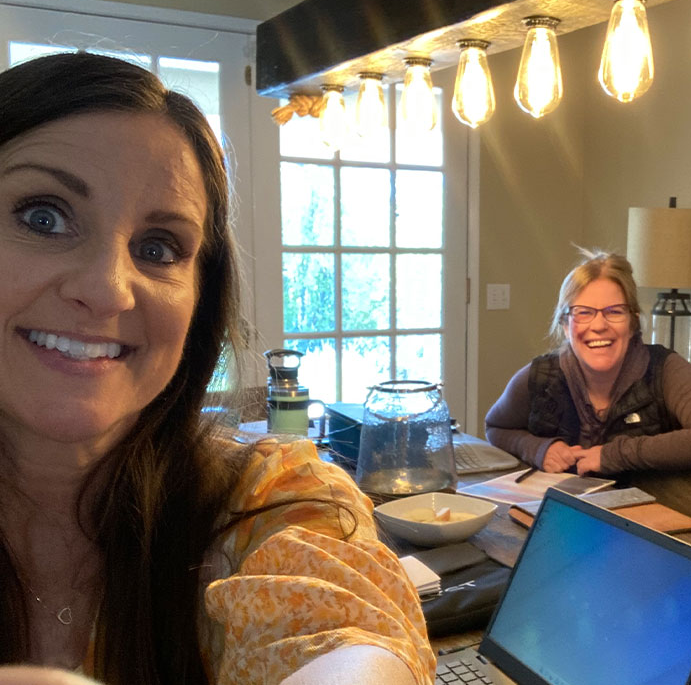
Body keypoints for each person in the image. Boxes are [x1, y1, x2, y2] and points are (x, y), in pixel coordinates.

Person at [0, 52, 434, 685]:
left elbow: (341, 642)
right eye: (43, 216)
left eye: (158, 248)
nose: (109, 289)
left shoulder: (267, 500)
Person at [484, 248, 691, 476]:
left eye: (614, 311)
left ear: (633, 323)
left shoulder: (665, 371)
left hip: (645, 518)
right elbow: (496, 427)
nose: (599, 326)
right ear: (566, 326)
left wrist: (615, 455)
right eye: (583, 312)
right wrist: (537, 449)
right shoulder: (540, 376)